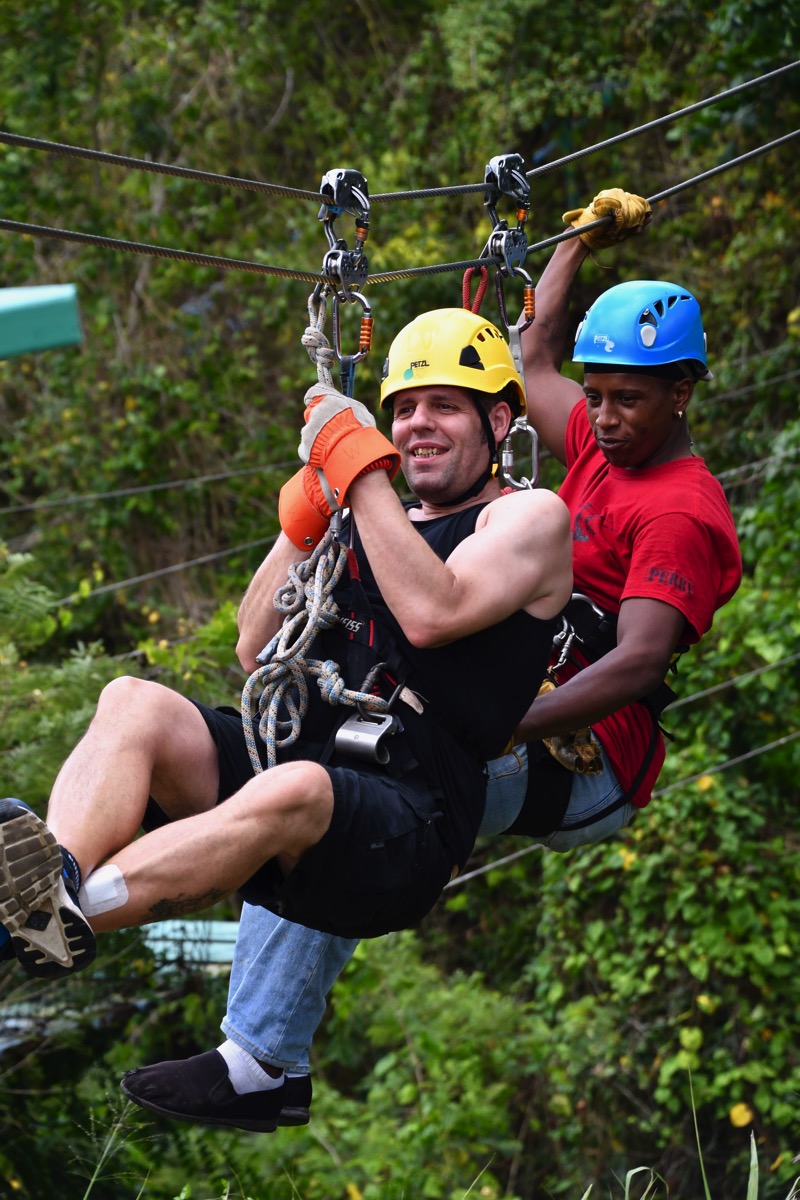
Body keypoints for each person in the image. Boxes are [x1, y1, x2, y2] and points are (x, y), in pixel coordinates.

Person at [115, 190, 742, 1134]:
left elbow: (639, 662)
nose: (602, 417)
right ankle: (257, 1046)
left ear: (681, 395)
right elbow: (529, 358)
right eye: (598, 395)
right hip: (525, 684)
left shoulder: (680, 511)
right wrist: (574, 244)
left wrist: (488, 718)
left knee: (358, 777)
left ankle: (260, 1056)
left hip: (589, 750)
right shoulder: (604, 445)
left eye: (627, 400)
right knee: (329, 759)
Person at [0, 308, 572, 974]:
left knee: (294, 788)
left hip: (408, 827)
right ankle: (53, 881)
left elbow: (431, 612)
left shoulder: (528, 517)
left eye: (444, 406)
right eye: (405, 408)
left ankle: (33, 925)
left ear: (497, 422)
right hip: (297, 770)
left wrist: (359, 471)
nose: (418, 423)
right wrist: (301, 524)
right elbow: (254, 644)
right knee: (134, 702)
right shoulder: (367, 512)